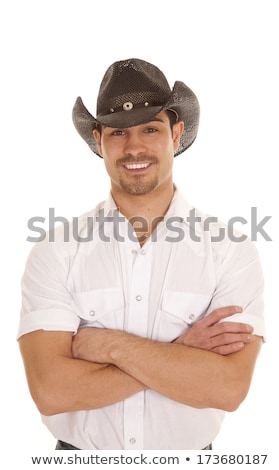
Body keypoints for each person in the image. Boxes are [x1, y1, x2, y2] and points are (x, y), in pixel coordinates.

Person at [18, 58, 265, 450]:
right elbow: (51, 391)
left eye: (150, 129)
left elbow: (227, 388)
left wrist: (108, 346)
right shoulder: (56, 251)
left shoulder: (230, 251)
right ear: (99, 141)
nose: (134, 147)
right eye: (118, 132)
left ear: (176, 134)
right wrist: (181, 356)